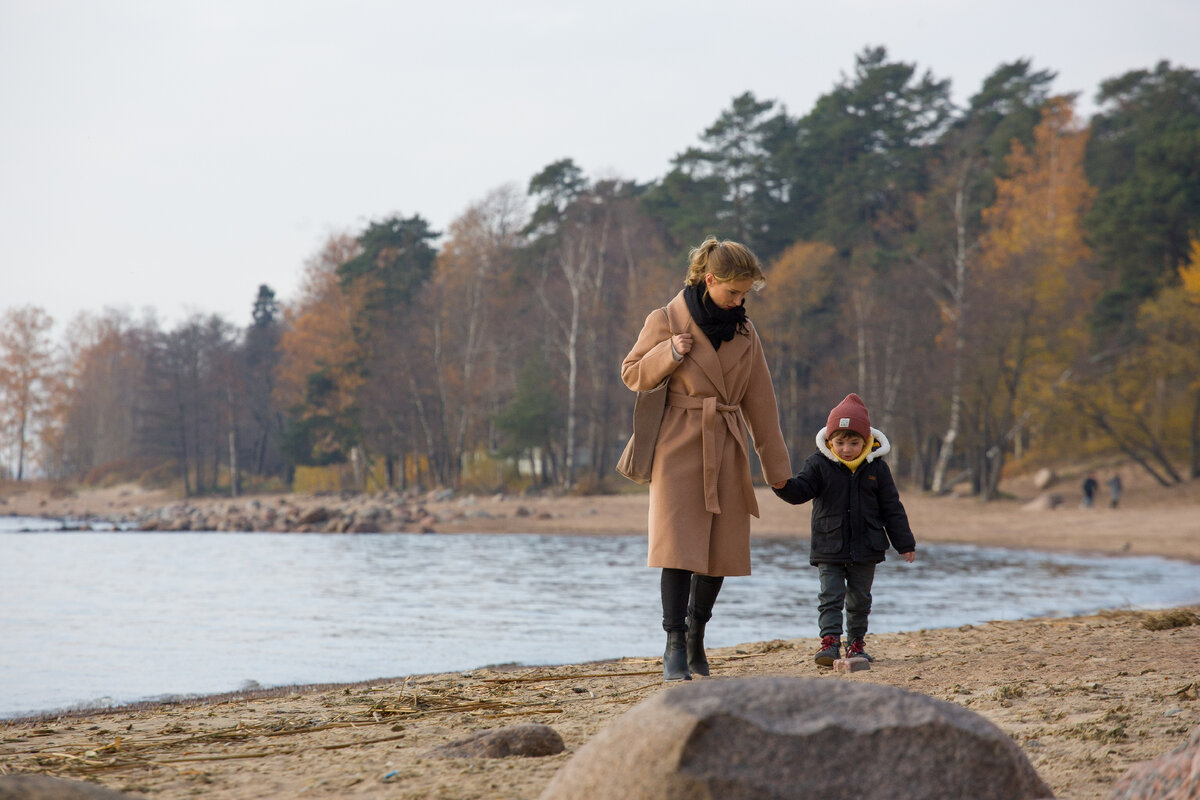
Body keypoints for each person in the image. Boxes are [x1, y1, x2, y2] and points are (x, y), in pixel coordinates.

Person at [621, 236, 792, 682]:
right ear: (709, 279)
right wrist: (670, 352)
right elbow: (632, 374)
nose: (739, 302)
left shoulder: (745, 332)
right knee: (677, 548)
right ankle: (673, 644)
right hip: (677, 443)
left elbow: (761, 404)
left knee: (719, 551)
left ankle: (697, 635)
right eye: (733, 292)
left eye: (745, 295)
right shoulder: (664, 320)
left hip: (727, 443)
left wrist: (778, 473)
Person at [772, 393, 916, 666]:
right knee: (830, 596)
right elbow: (800, 491)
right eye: (840, 443)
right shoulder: (818, 465)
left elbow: (892, 508)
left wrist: (904, 542)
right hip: (829, 546)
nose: (846, 449)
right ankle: (829, 643)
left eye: (854, 443)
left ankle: (856, 645)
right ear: (829, 441)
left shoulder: (878, 469)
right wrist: (781, 486)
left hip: (867, 546)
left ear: (867, 442)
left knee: (860, 599)